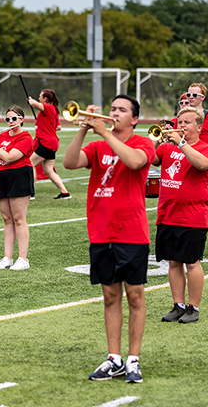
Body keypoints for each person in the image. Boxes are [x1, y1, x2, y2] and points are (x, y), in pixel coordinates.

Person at [63, 94, 155, 384]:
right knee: (110, 296)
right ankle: (113, 358)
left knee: (135, 296)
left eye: (122, 110)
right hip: (101, 231)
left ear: (135, 119)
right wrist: (84, 128)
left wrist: (104, 132)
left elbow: (135, 162)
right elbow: (69, 162)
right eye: (112, 108)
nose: (114, 113)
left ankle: (133, 359)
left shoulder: (143, 142)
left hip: (131, 232)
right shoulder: (97, 145)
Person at [152, 107, 208, 324]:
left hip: (192, 216)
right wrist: (156, 139)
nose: (181, 126)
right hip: (167, 214)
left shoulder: (206, 148)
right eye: (179, 122)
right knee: (172, 262)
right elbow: (152, 158)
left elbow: (202, 164)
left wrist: (181, 143)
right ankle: (178, 305)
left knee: (192, 262)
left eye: (187, 123)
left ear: (199, 127)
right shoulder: (167, 148)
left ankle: (193, 307)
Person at [0, 106, 35, 271]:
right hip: (1, 176)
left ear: (21, 119)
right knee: (6, 218)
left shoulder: (25, 137)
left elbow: (10, 157)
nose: (11, 122)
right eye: (8, 119)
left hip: (19, 176)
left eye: (14, 118)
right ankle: (7, 257)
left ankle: (23, 258)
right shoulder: (1, 136)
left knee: (19, 218)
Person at [170, 83, 208, 166]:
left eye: (194, 95)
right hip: (182, 160)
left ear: (203, 97)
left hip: (201, 159)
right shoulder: (182, 117)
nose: (190, 97)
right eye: (188, 94)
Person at [27, 89, 71, 200]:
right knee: (48, 170)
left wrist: (30, 99)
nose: (39, 98)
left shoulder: (48, 107)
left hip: (47, 143)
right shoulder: (53, 110)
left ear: (45, 99)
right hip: (52, 143)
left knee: (31, 164)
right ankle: (65, 193)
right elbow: (58, 127)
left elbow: (33, 104)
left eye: (40, 96)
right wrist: (45, 125)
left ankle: (30, 193)